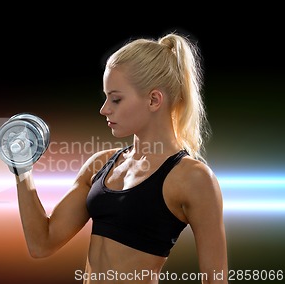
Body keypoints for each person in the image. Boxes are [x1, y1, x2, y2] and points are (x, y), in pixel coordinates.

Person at [13, 32, 228, 283]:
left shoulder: (192, 178)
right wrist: (21, 168)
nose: (104, 109)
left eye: (116, 98)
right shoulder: (99, 165)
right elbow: (42, 243)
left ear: (153, 99)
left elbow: (216, 279)